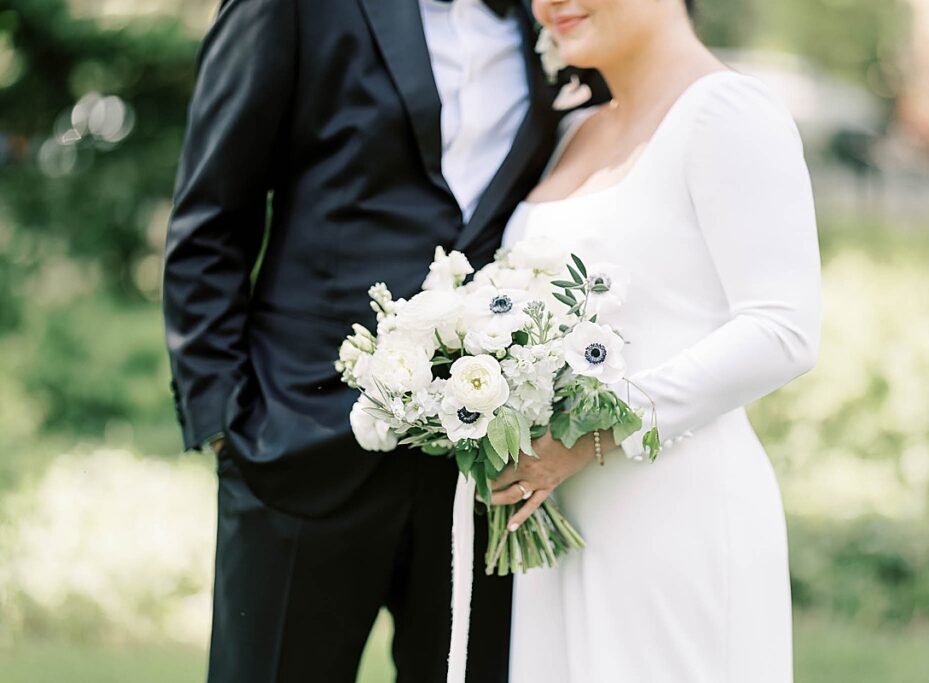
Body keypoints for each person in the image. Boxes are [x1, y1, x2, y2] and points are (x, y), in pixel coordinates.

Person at [161, 0, 603, 680]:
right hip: (299, 440)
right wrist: (228, 422)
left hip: (485, 468)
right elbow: (212, 216)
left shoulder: (548, 15)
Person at [490, 0, 821, 681]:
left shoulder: (727, 112)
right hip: (563, 527)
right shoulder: (572, 130)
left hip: (675, 517)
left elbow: (781, 329)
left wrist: (591, 432)